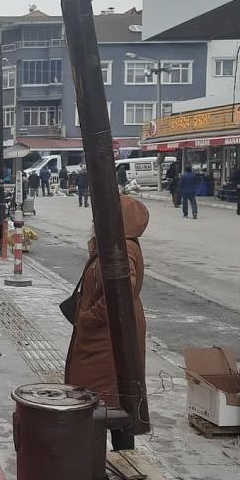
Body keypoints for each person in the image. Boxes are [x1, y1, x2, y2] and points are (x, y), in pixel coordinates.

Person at [65, 194, 150, 452]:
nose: (94, 221)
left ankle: (100, 464)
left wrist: (88, 318)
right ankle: (111, 459)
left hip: (107, 339)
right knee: (109, 398)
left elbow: (121, 292)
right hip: (107, 336)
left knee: (102, 399)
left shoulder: (121, 247)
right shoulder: (116, 244)